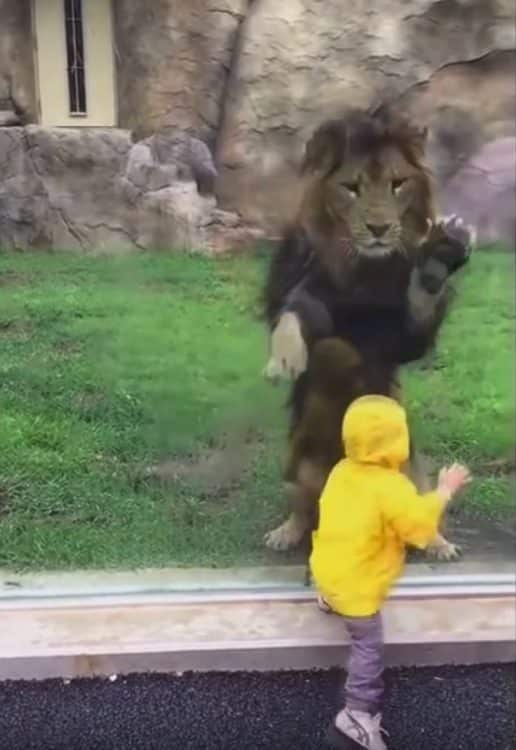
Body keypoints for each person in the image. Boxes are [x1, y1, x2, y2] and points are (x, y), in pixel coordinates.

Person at [309, 394, 471, 750]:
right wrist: (444, 492)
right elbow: (416, 526)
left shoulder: (342, 470)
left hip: (327, 568)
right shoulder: (391, 487)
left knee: (338, 579)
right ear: (399, 440)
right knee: (368, 648)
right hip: (358, 587)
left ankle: (328, 597)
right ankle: (356, 713)